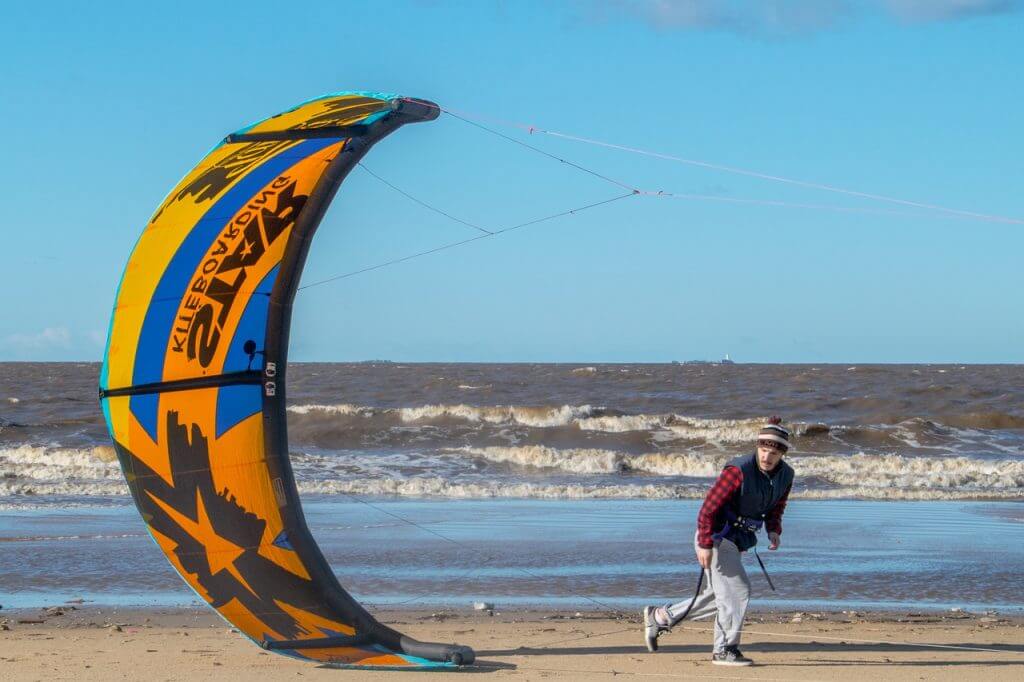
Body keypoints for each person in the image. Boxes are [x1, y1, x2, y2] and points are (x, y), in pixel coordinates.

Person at [642, 417, 794, 666]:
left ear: (782, 454)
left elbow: (777, 505)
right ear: (758, 447)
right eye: (763, 450)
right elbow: (708, 509)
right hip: (716, 536)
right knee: (738, 591)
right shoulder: (738, 470)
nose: (767, 457)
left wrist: (773, 529)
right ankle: (724, 649)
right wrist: (703, 543)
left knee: (718, 597)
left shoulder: (786, 475)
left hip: (738, 540)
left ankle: (660, 617)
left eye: (773, 453)